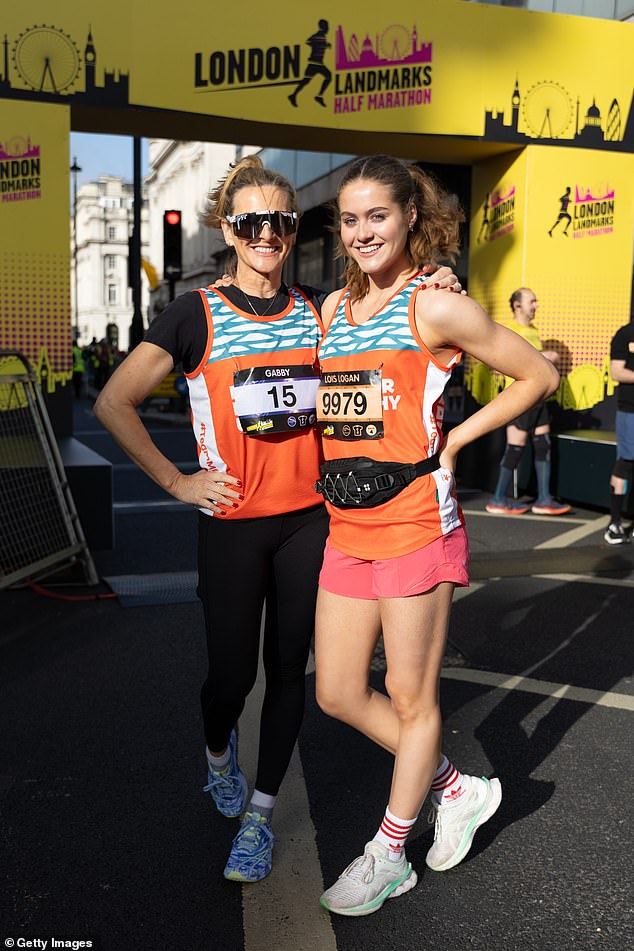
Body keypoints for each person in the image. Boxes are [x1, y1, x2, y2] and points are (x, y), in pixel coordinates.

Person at [93, 155, 461, 885]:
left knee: (289, 671)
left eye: (281, 221)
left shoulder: (319, 309)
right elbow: (113, 401)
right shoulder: (194, 312)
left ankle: (260, 814)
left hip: (309, 523)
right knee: (229, 678)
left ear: (295, 230)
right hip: (231, 521)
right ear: (227, 230)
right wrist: (177, 480)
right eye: (251, 221)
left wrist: (443, 274)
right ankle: (218, 751)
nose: (267, 234)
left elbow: (395, 304)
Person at [313, 155, 558, 917]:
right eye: (350, 220)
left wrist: (455, 442)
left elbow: (535, 375)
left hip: (418, 522)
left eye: (377, 216)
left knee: (412, 698)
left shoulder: (435, 305)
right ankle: (458, 788)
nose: (362, 233)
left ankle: (389, 852)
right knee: (338, 690)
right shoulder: (331, 310)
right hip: (348, 525)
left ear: (410, 216)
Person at [485, 287, 571, 516]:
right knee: (515, 448)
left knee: (543, 444)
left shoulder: (533, 330)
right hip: (520, 395)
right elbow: (510, 361)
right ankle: (498, 499)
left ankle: (544, 499)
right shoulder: (509, 330)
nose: (536, 305)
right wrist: (544, 358)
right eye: (532, 301)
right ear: (517, 305)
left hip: (538, 397)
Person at [604, 318, 634, 544]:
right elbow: (617, 372)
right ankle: (614, 525)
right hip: (630, 410)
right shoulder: (626, 334)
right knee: (626, 462)